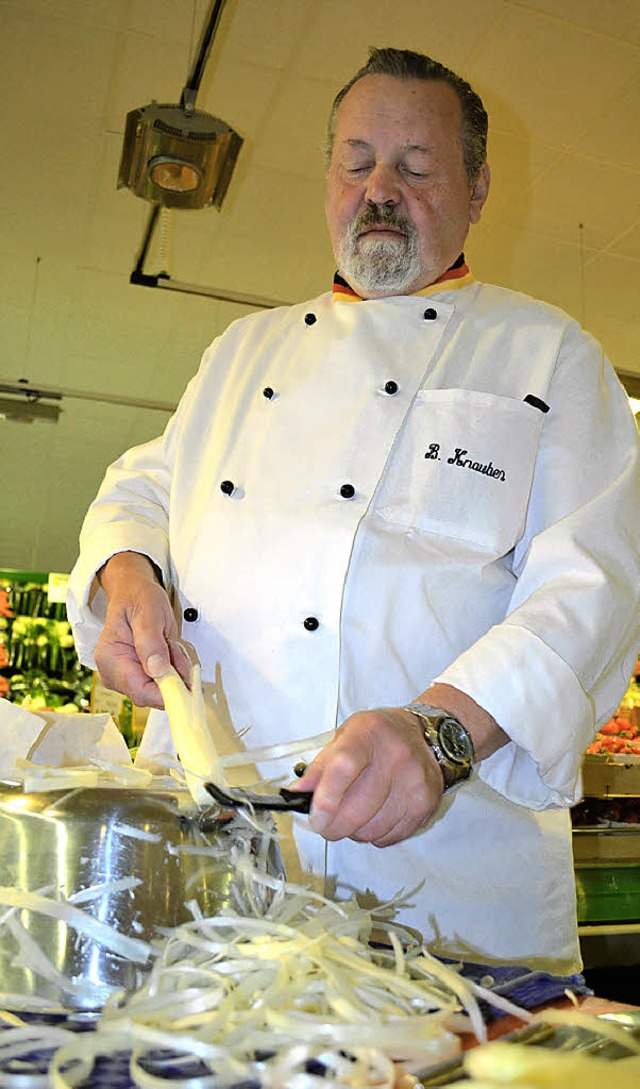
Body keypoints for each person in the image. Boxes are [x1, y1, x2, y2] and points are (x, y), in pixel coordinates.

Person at [67, 47, 640, 974]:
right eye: (357, 159)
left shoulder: (549, 354)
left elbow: (596, 589)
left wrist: (441, 732)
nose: (380, 189)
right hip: (215, 886)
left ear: (478, 188)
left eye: (416, 166)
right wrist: (126, 569)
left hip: (451, 899)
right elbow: (143, 489)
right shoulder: (239, 351)